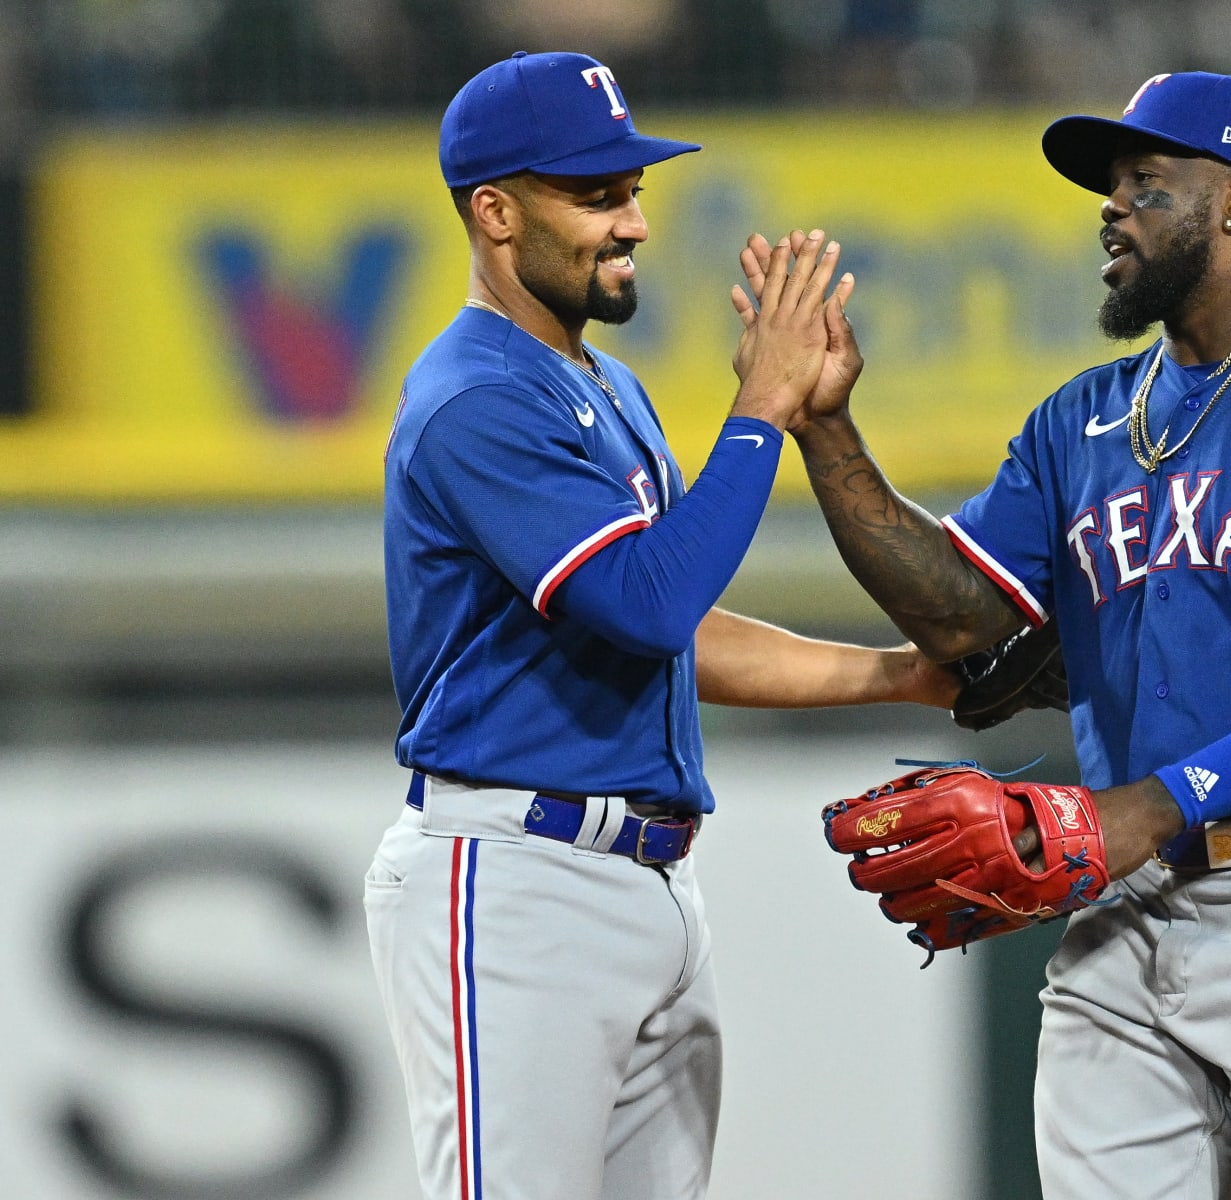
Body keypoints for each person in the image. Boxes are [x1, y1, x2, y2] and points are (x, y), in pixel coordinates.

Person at [748, 70, 1231, 1198]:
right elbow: (962, 619)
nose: (1111, 206)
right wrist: (829, 433)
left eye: (1146, 183)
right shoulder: (1077, 421)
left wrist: (1157, 802)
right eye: (1111, 186)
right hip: (1121, 908)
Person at [364, 50, 956, 1200]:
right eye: (594, 196)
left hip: (650, 880)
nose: (633, 221)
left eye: (631, 189)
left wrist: (904, 676)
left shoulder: (603, 386)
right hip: (514, 878)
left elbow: (674, 631)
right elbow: (649, 604)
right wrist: (762, 412)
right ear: (493, 212)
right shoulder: (474, 396)